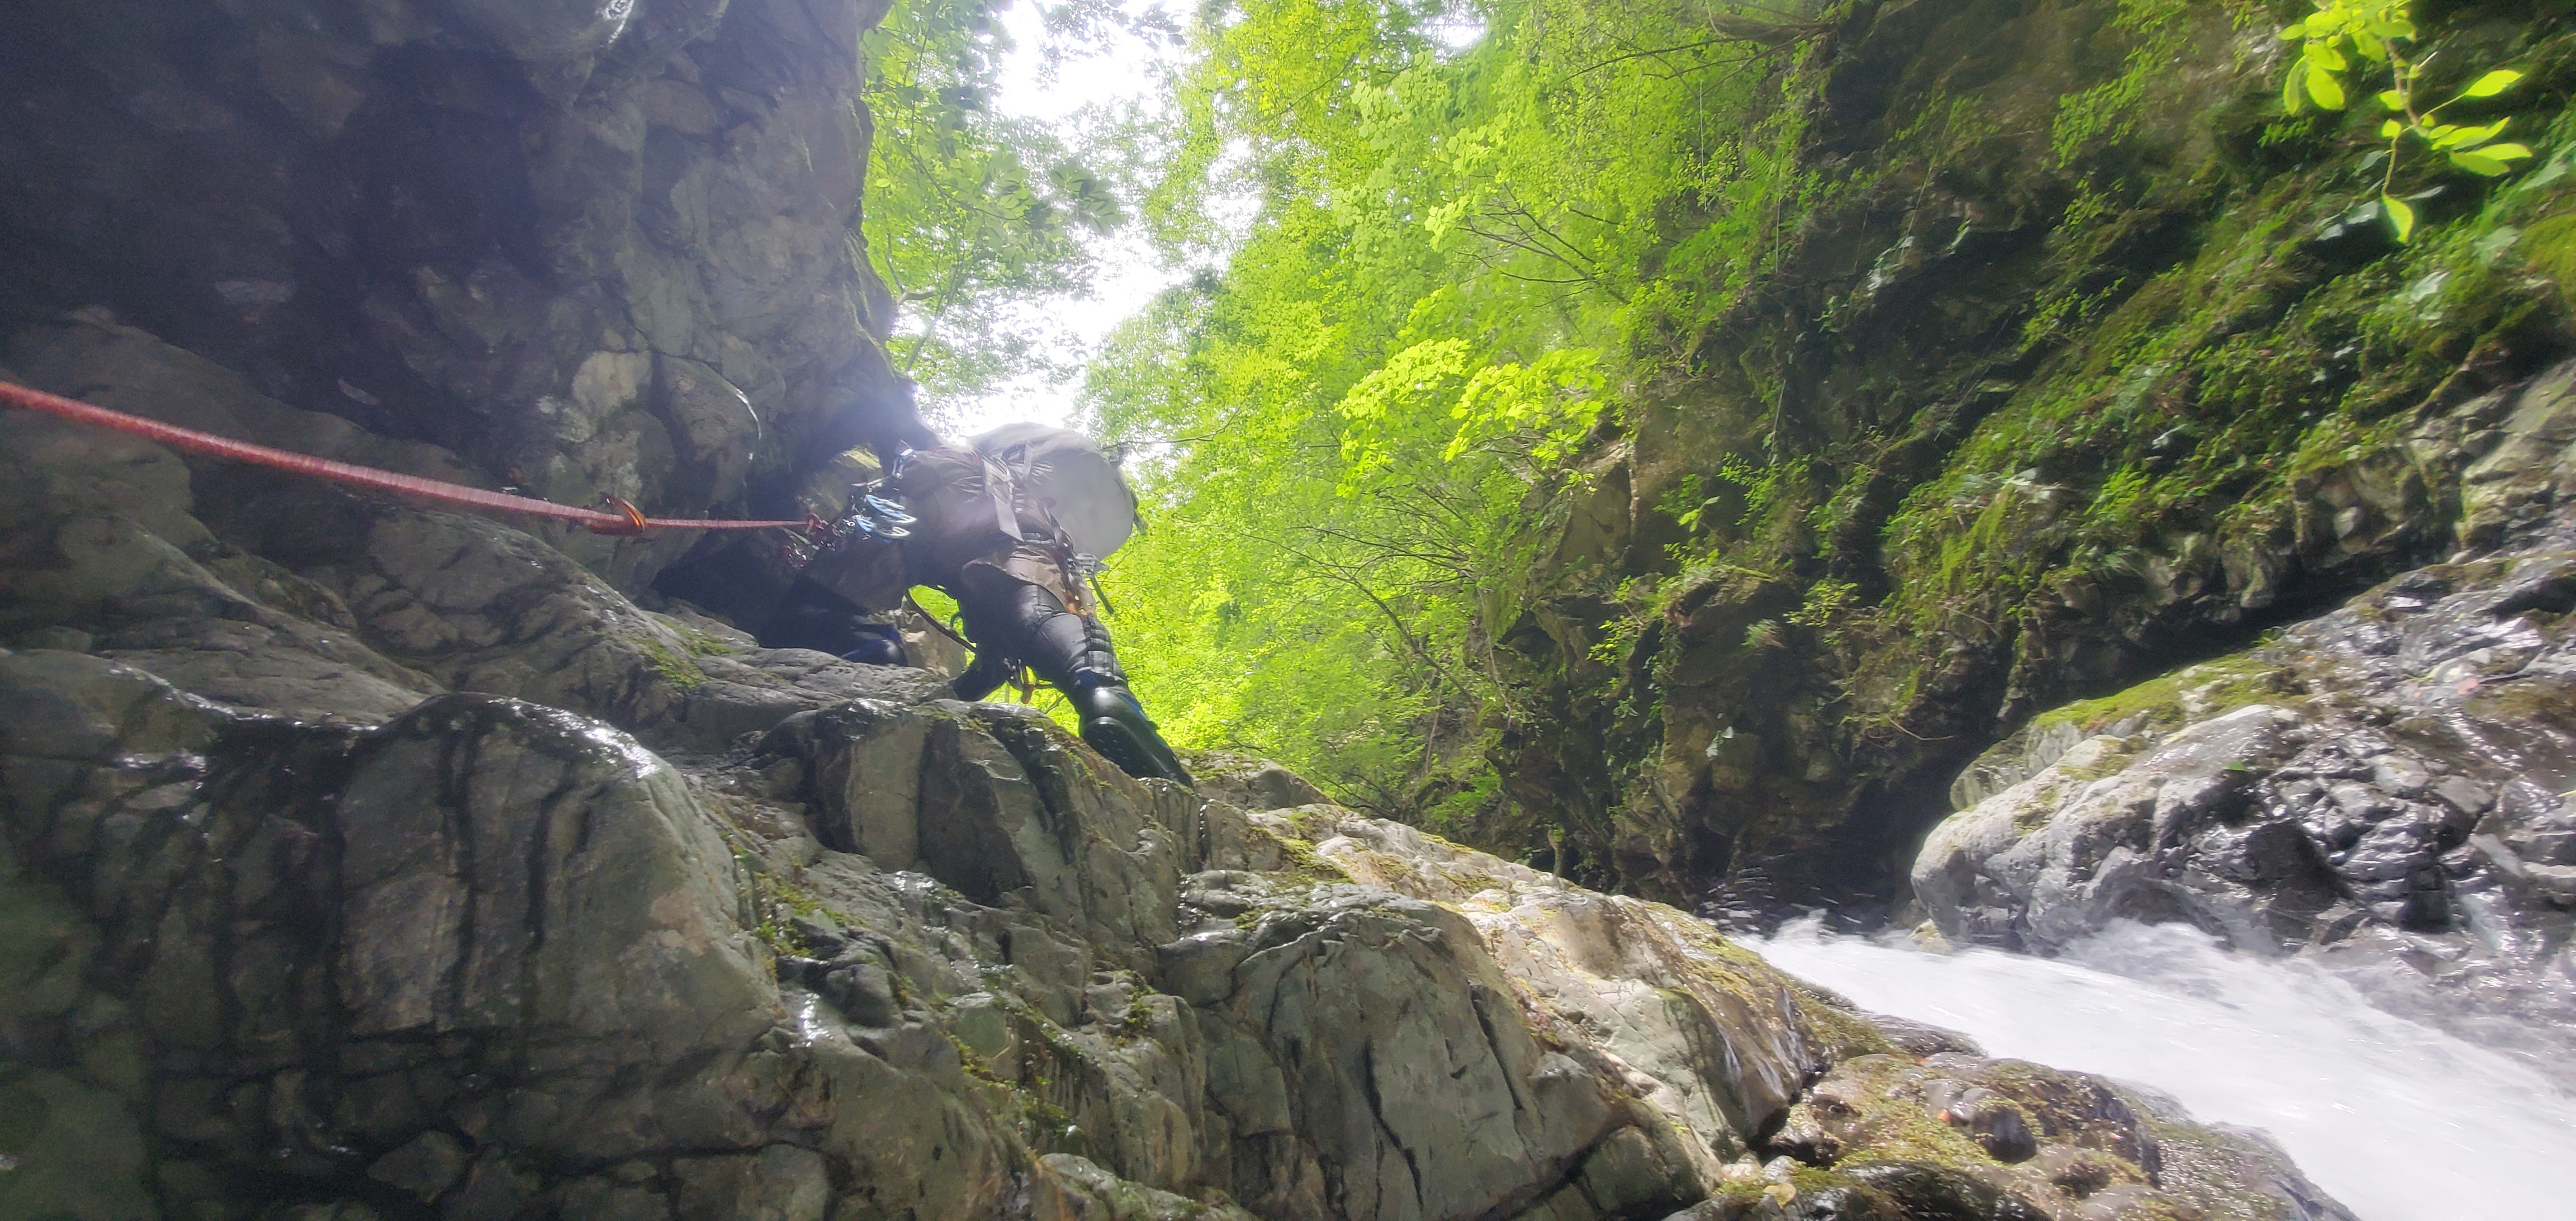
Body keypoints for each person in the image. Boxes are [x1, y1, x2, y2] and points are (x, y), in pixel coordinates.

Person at [763, 421, 1192, 787]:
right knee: (1034, 613)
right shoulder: (1060, 487)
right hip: (1016, 522)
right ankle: (1107, 698)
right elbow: (1003, 628)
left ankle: (855, 652)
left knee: (835, 601)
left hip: (933, 484)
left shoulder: (1009, 441)